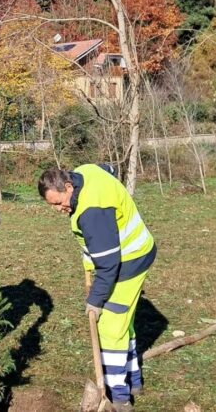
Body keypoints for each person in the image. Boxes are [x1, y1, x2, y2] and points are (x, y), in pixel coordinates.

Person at [38, 164, 156, 412]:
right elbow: (108, 168)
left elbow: (109, 265)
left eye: (59, 203)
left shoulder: (92, 213)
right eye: (52, 206)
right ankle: (134, 380)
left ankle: (118, 398)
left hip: (129, 261)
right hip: (136, 250)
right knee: (124, 322)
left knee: (110, 328)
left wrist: (95, 300)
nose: (59, 210)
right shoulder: (85, 172)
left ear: (68, 186)